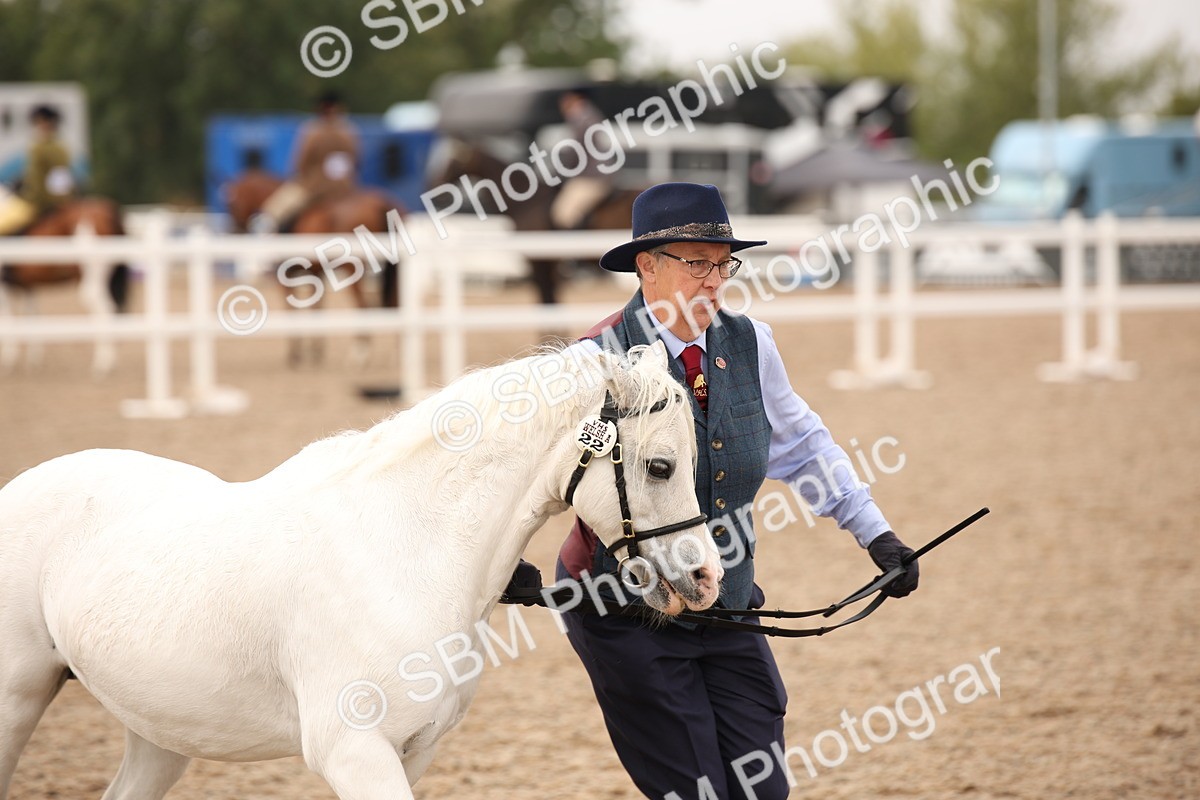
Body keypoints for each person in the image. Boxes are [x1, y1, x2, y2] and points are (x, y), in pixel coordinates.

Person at [555, 182, 920, 800]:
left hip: (728, 600)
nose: (714, 281)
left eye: (723, 264)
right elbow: (560, 468)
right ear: (647, 267)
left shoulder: (751, 343)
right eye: (697, 263)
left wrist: (877, 534)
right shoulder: (595, 361)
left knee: (763, 790)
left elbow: (805, 446)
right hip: (625, 611)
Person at [254, 90, 359, 233]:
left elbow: (300, 163)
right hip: (345, 187)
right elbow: (357, 161)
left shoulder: (312, 131)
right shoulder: (349, 131)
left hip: (314, 187)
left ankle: (263, 230)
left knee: (273, 210)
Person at [0, 105, 74, 235]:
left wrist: (58, 202)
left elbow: (59, 178)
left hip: (36, 203)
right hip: (33, 199)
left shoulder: (51, 148)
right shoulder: (46, 146)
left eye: (40, 122)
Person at [549, 89, 615, 230]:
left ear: (575, 100)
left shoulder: (583, 118)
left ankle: (574, 243)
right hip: (595, 174)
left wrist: (558, 172)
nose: (562, 107)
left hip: (592, 178)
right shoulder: (589, 116)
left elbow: (576, 150)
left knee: (563, 214)